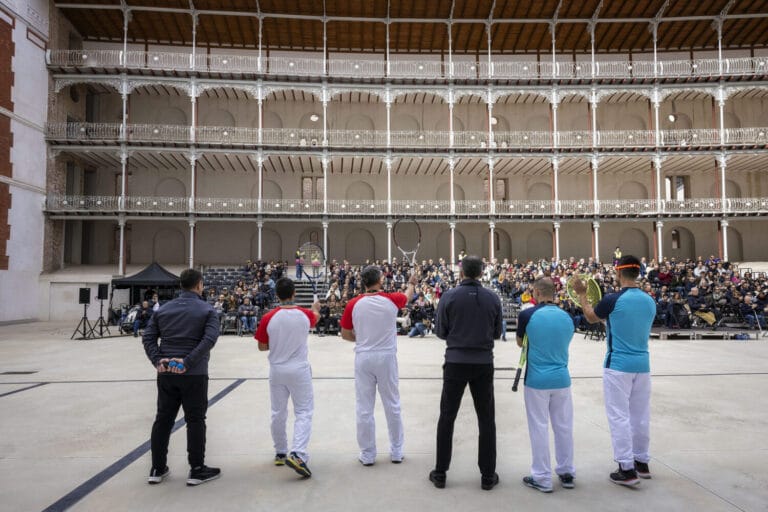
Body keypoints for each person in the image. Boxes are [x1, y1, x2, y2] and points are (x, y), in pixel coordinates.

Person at [572, 255, 656, 487]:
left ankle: (626, 469)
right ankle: (642, 463)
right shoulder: (650, 301)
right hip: (643, 365)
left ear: (619, 273)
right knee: (640, 416)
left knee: (619, 416)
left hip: (618, 364)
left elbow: (590, 317)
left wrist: (581, 294)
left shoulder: (612, 299)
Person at [429, 255, 503, 491]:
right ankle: (488, 475)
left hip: (455, 362)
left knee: (447, 417)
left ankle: (440, 473)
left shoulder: (449, 296)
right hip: (483, 363)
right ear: (481, 273)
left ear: (461, 273)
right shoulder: (492, 298)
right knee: (486, 419)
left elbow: (441, 332)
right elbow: (495, 332)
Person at [141, 268, 221, 486]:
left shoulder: (163, 310)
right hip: (193, 373)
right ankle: (196, 469)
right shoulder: (207, 310)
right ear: (199, 285)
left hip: (166, 372)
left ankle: (157, 468)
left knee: (163, 419)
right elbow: (209, 340)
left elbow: (148, 338)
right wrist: (187, 362)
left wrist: (158, 360)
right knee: (195, 420)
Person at [340, 266, 417, 466]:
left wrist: (364, 338)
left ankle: (367, 454)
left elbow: (346, 334)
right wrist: (412, 283)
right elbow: (407, 295)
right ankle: (397, 451)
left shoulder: (353, 304)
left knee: (364, 407)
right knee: (392, 404)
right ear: (380, 280)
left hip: (364, 357)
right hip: (387, 358)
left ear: (363, 282)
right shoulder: (392, 299)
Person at [255, 277, 320, 478]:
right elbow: (316, 318)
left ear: (277, 295)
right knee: (304, 412)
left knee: (277, 412)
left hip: (277, 370)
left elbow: (262, 346)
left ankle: (281, 452)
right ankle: (298, 453)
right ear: (293, 294)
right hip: (299, 370)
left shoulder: (268, 317)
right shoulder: (305, 314)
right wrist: (315, 307)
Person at [516, 277, 576, 493]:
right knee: (564, 426)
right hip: (562, 379)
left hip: (536, 381)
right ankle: (566, 472)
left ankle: (542, 477)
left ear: (538, 292)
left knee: (539, 427)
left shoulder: (527, 314)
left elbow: (521, 342)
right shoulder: (568, 316)